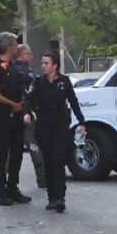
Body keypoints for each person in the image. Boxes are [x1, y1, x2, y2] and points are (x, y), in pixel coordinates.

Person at [28, 51, 87, 212]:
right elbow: (29, 100)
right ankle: (52, 197)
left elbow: (73, 102)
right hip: (43, 125)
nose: (43, 66)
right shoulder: (38, 82)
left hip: (60, 125)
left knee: (58, 160)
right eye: (42, 63)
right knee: (48, 161)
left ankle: (60, 198)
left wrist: (82, 122)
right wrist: (26, 113)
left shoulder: (64, 81)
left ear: (54, 65)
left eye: (46, 63)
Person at [0, 32, 32, 206]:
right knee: (2, 154)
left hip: (16, 117)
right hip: (1, 116)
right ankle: (1, 192)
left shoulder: (12, 67)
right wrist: (12, 104)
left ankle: (13, 188)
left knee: (17, 153)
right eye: (16, 44)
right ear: (9, 46)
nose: (18, 47)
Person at [14, 44, 46, 190]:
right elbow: (30, 94)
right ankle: (42, 178)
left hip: (13, 113)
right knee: (33, 145)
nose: (31, 56)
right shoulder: (28, 73)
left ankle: (1, 180)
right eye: (29, 54)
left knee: (11, 148)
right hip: (27, 114)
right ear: (22, 54)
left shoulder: (10, 69)